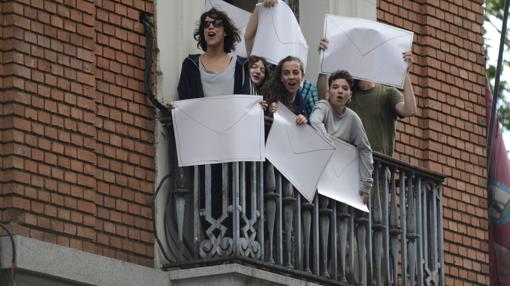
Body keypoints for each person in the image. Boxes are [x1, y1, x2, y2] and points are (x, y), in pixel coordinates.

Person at [318, 38, 417, 156]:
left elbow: (410, 110)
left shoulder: (388, 93)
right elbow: (323, 99)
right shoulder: (348, 93)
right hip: (349, 164)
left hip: (379, 168)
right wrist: (323, 62)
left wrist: (405, 72)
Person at [310, 70, 373, 204]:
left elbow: (365, 149)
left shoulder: (353, 118)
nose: (340, 91)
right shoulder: (323, 106)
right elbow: (315, 121)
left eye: (345, 88)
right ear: (329, 92)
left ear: (350, 95)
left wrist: (365, 185)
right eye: (335, 87)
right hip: (318, 172)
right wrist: (330, 145)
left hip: (341, 179)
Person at [262, 56, 308, 125]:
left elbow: (306, 123)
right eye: (286, 73)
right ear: (281, 78)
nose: (291, 77)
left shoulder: (299, 96)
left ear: (302, 77)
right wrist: (270, 113)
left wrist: (303, 120)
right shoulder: (269, 95)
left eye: (295, 73)